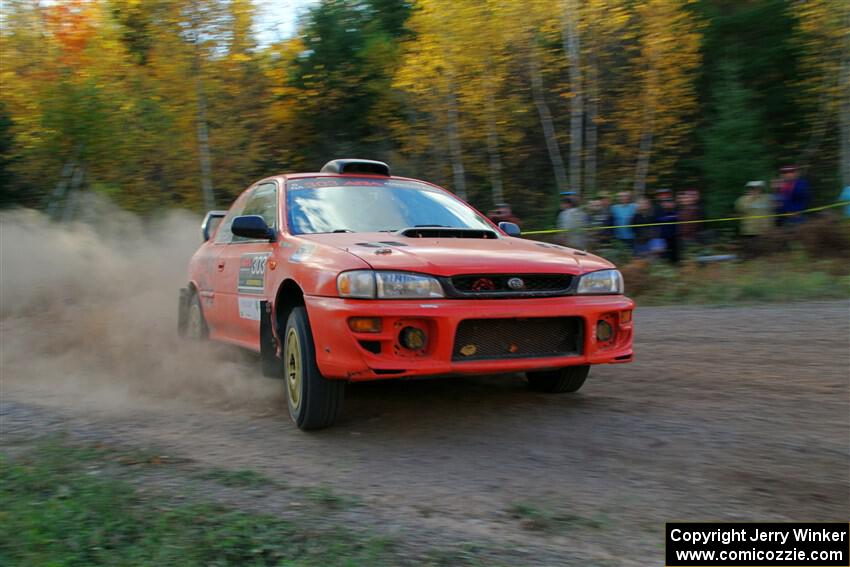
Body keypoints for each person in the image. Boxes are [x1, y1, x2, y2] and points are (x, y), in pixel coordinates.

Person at [656, 197, 679, 264]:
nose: (667, 204)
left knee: (674, 253)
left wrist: (668, 218)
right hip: (664, 236)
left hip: (674, 236)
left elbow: (677, 217)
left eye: (669, 202)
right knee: (664, 253)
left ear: (673, 204)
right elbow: (658, 220)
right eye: (665, 203)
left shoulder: (675, 211)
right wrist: (669, 218)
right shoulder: (660, 211)